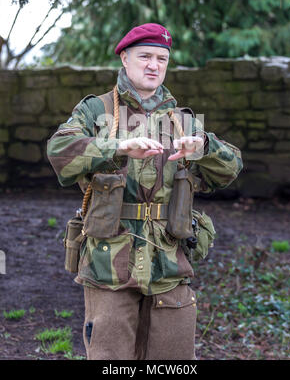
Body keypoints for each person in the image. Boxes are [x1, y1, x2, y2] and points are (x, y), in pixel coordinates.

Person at [47, 23, 243, 360]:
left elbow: (232, 168)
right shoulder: (98, 111)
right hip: (110, 266)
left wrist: (204, 146)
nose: (154, 65)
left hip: (169, 264)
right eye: (145, 56)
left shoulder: (183, 119)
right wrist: (119, 146)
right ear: (125, 58)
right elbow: (59, 151)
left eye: (161, 58)